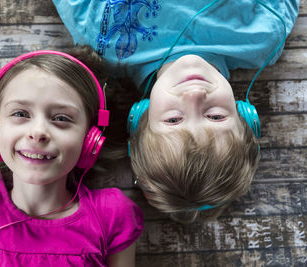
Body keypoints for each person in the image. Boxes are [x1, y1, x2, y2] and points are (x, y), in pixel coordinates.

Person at [52, 0, 300, 223]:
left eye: (173, 119)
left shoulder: (102, 39)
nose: (194, 96)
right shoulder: (263, 36)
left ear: (141, 118)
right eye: (215, 116)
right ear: (244, 115)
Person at [0, 48, 143, 266]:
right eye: (20, 114)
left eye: (61, 118)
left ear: (90, 139)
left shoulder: (112, 215)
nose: (38, 132)